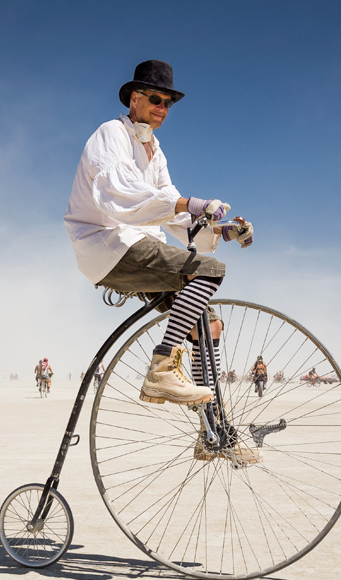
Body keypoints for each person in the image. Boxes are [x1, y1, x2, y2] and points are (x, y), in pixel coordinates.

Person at [64, 60, 254, 410]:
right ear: (134, 98)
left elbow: (168, 210)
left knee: (208, 326)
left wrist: (220, 229)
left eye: (168, 103)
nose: (162, 109)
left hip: (142, 244)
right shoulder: (112, 134)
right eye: (155, 99)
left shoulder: (155, 150)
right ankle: (163, 365)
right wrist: (190, 202)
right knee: (210, 270)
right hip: (109, 243)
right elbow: (122, 193)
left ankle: (213, 428)